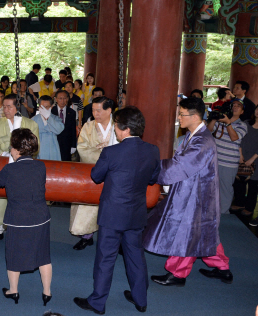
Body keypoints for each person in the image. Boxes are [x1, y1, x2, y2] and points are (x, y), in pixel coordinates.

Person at [74, 106, 160, 315]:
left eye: (116, 127)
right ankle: (141, 299)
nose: (115, 130)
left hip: (112, 214)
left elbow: (96, 176)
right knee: (136, 256)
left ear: (126, 129)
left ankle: (97, 302)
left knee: (106, 258)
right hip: (137, 213)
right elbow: (152, 179)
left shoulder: (111, 152)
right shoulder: (153, 150)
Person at [144, 97, 233, 287]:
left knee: (187, 233)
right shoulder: (196, 135)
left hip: (197, 196)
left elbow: (181, 165)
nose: (179, 117)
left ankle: (178, 274)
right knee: (205, 232)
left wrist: (152, 168)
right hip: (196, 191)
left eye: (182, 114)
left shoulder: (202, 141)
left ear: (194, 116)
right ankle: (222, 268)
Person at [0, 128, 52, 306]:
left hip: (18, 219)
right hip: (41, 217)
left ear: (15, 149)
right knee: (43, 256)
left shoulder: (9, 169)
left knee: (14, 255)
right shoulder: (41, 166)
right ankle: (47, 293)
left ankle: (13, 291)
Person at [0, 94, 39, 247]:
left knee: (21, 203)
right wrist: (3, 154)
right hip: (2, 166)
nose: (5, 109)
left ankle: (21, 231)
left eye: (9, 106)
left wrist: (19, 155)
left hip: (23, 168)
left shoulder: (30, 124)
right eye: (4, 106)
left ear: (17, 107)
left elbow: (36, 145)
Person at [70, 97, 118, 250]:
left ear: (109, 110)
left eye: (99, 110)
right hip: (92, 170)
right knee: (88, 204)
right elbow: (82, 148)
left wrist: (106, 152)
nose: (95, 113)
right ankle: (86, 236)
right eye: (93, 110)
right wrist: (104, 154)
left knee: (114, 207)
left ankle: (116, 240)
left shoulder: (119, 125)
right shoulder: (88, 126)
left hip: (115, 173)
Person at [207, 98, 247, 214]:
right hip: (214, 160)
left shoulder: (242, 125)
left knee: (225, 190)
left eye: (238, 106)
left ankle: (224, 214)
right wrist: (214, 119)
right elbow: (208, 131)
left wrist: (228, 123)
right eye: (233, 104)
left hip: (229, 163)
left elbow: (234, 137)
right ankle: (212, 212)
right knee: (211, 188)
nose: (234, 107)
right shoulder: (220, 121)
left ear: (242, 112)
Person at [232, 105, 258, 222]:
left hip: (256, 158)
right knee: (239, 180)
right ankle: (239, 203)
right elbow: (240, 139)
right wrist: (240, 154)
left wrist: (252, 159)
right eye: (257, 109)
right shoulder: (246, 123)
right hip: (242, 155)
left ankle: (249, 207)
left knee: (253, 184)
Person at [32, 95, 64, 160]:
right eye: (42, 107)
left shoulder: (56, 119)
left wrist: (48, 118)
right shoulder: (33, 120)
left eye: (47, 107)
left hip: (52, 150)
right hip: (39, 150)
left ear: (51, 107)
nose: (44, 109)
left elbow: (59, 129)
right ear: (39, 106)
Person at [51, 90, 77, 161]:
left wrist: (73, 145)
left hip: (67, 144)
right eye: (60, 98)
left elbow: (73, 130)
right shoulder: (51, 111)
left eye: (64, 98)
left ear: (68, 99)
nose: (62, 101)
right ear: (56, 99)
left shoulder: (72, 112)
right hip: (54, 142)